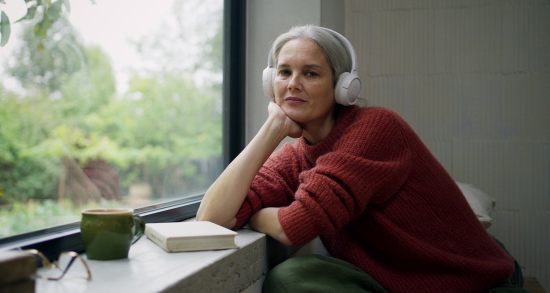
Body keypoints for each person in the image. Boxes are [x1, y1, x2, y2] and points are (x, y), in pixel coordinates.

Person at [196, 25, 525, 293]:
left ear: (342, 86)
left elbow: (294, 227)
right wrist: (272, 128)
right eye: (284, 72)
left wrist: (255, 216)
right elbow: (211, 218)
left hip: (474, 282)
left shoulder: (377, 128)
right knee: (292, 277)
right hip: (391, 282)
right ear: (271, 82)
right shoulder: (295, 154)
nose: (293, 84)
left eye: (310, 73)